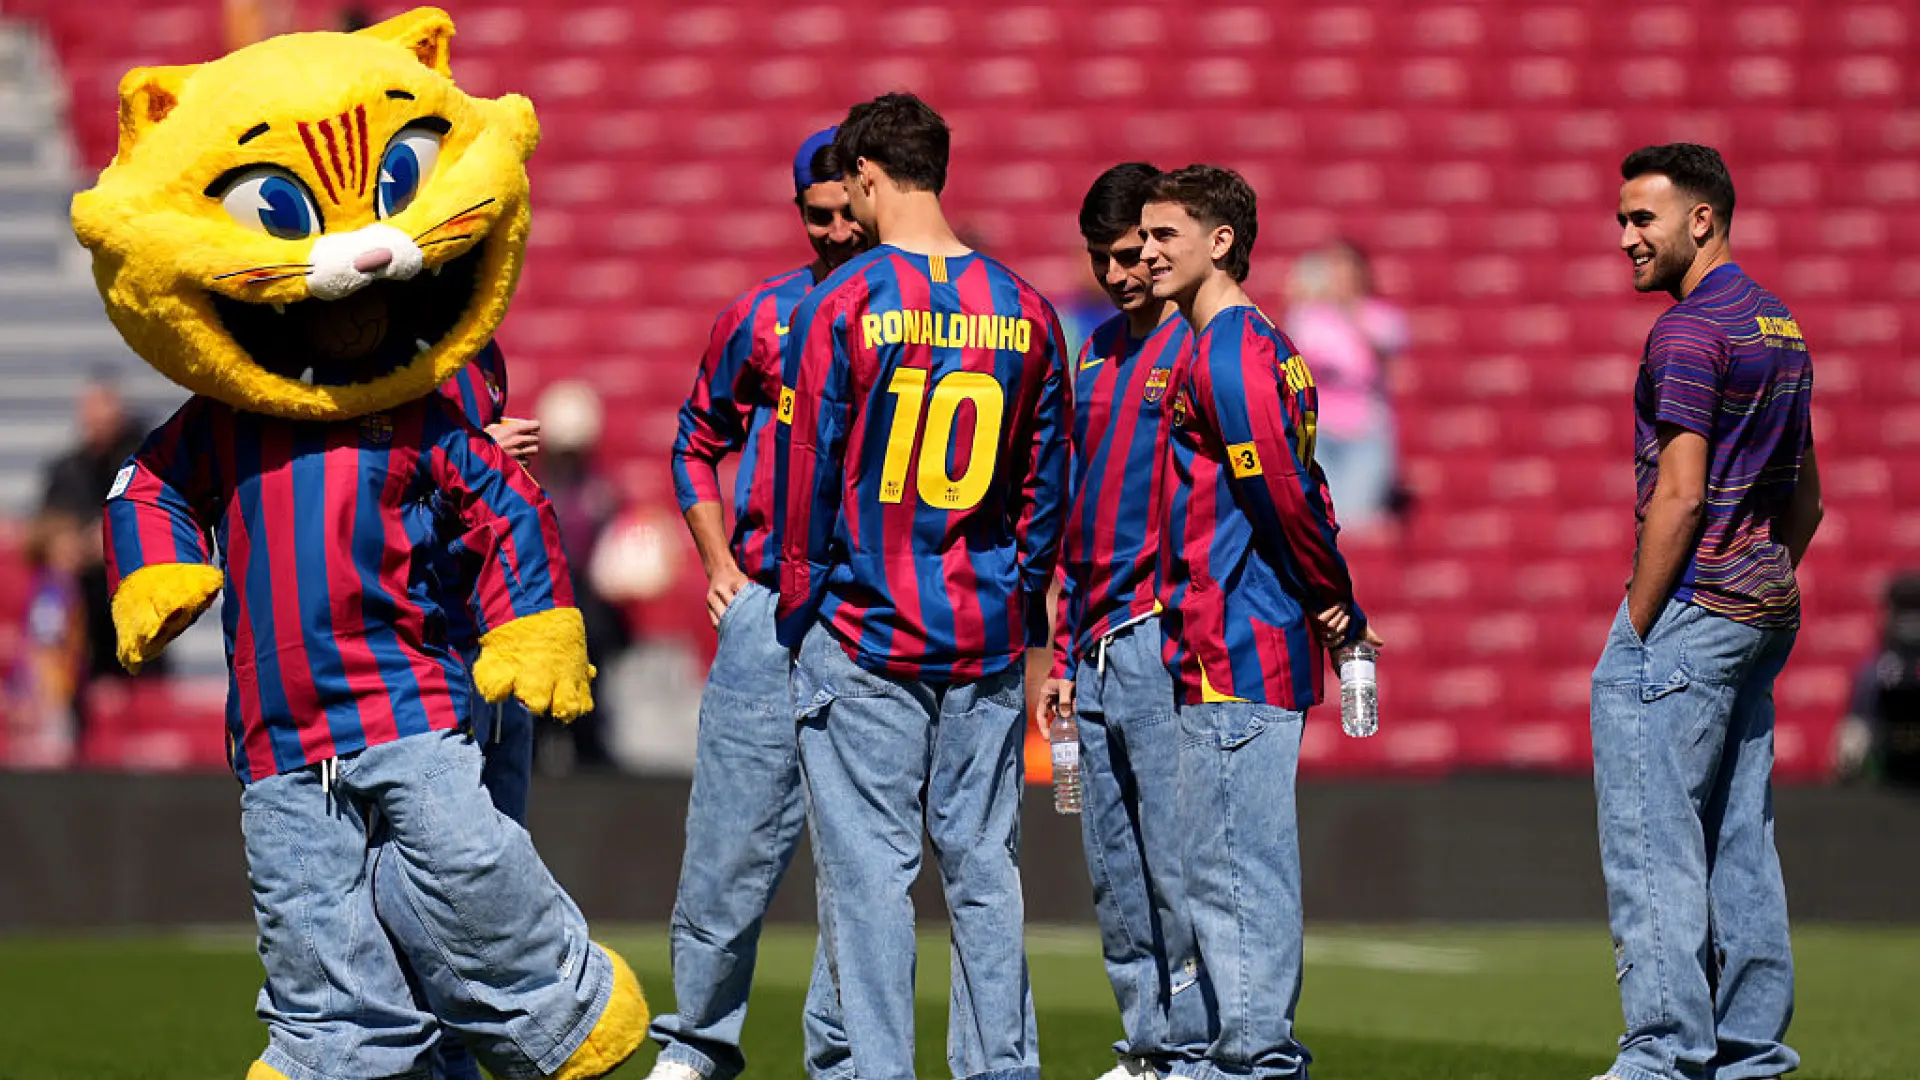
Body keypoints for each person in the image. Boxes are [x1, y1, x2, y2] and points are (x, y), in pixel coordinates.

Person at [776, 93, 1068, 1080]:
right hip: (981, 630)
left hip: (864, 627)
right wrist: (1016, 606)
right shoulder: (1027, 310)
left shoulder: (842, 302)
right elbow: (1045, 491)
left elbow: (808, 472)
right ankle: (1001, 1070)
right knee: (987, 869)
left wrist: (799, 606)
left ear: (863, 177)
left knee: (870, 879)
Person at [1137, 164, 1378, 1080]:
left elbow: (1281, 491)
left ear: (1221, 242)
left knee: (1235, 869)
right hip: (1232, 632)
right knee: (1226, 864)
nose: (1149, 252)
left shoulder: (1230, 350)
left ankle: (1253, 1061)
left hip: (1237, 639)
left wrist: (1337, 602)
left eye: (1166, 236)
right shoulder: (1247, 343)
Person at [1591, 143, 1822, 1080]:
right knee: (1740, 839)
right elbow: (1806, 497)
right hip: (1762, 606)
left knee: (1654, 838)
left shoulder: (1687, 332)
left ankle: (1663, 1055)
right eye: (1621, 220)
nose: (1625, 239)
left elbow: (1680, 497)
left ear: (1703, 218)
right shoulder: (1781, 322)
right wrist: (1758, 582)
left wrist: (1642, 624)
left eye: (1643, 219)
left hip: (1691, 610)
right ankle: (1750, 1054)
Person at [651, 127, 868, 1080]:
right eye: (812, 216)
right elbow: (693, 441)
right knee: (727, 845)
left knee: (860, 859)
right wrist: (715, 564)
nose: (829, 232)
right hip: (769, 610)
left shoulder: (917, 317)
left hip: (875, 612)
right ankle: (696, 1043)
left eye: (844, 214)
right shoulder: (763, 315)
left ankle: (847, 1052)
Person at [1034, 162, 1206, 1080]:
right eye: (1105, 257)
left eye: (1135, 253)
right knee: (1113, 861)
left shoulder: (1198, 349)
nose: (1121, 273)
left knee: (1177, 862)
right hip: (1089, 643)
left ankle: (1199, 1043)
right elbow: (1071, 509)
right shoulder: (1092, 352)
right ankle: (1145, 1046)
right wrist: (1059, 650)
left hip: (1159, 634)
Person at [40, 374, 156, 687]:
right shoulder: (67, 468)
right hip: (82, 617)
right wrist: (62, 543)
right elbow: (42, 526)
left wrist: (105, 538)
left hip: (137, 612)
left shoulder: (145, 461)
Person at [1283, 239, 1407, 532]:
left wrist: (1349, 310)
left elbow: (1384, 349)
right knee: (1324, 517)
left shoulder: (1380, 316)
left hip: (1364, 430)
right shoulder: (1308, 316)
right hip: (1318, 431)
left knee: (1358, 515)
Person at [5, 510, 88, 767]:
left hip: (57, 689)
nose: (76, 548)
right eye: (68, 542)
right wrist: (39, 697)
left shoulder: (61, 584)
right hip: (48, 694)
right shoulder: (54, 588)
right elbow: (43, 646)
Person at [1834, 573, 1920, 787]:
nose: (1910, 622)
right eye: (1905, 610)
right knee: (1854, 732)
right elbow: (1859, 720)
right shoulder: (1873, 672)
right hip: (1886, 751)